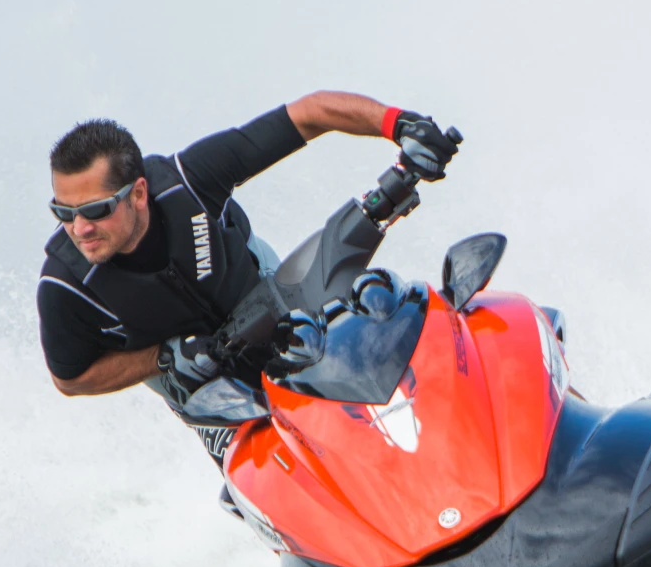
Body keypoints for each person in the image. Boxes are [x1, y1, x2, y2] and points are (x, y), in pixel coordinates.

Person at [37, 92, 458, 410]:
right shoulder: (64, 284)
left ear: (139, 193)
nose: (80, 228)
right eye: (64, 212)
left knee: (360, 349)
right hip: (189, 374)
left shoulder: (191, 180)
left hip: (269, 293)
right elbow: (70, 379)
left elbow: (310, 114)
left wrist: (400, 125)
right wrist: (163, 357)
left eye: (95, 210)